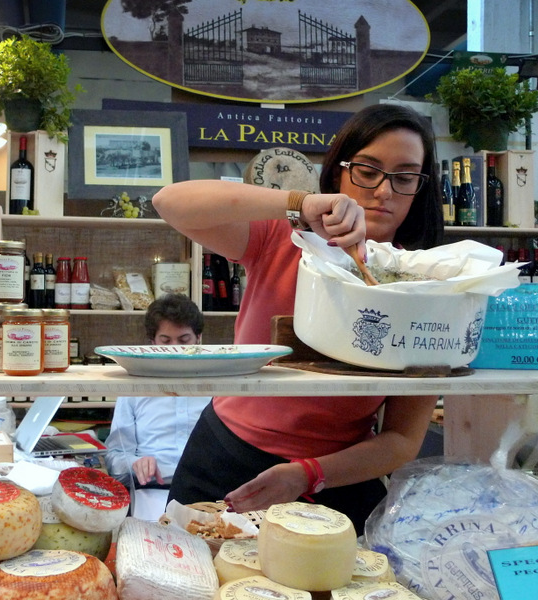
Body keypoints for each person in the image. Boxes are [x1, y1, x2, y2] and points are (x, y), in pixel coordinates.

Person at [151, 103, 443, 533]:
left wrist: (308, 473)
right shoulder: (282, 241)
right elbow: (170, 202)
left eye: (404, 177)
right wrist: (300, 203)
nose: (383, 191)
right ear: (339, 173)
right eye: (368, 170)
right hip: (224, 456)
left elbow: (401, 440)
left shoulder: (428, 288)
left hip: (335, 478)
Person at [104, 294, 211, 488]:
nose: (175, 349)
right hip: (149, 486)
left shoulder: (220, 384)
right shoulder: (134, 386)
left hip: (207, 488)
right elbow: (115, 457)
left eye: (184, 340)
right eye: (165, 341)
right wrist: (135, 463)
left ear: (198, 339)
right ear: (152, 342)